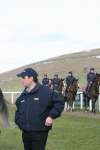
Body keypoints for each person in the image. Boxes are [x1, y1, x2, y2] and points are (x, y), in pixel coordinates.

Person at [15, 68, 65, 150]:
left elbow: (60, 102)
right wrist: (20, 123)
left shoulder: (45, 91)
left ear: (31, 78)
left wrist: (51, 116)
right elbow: (18, 110)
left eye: (24, 77)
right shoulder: (22, 96)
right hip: (25, 133)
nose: (22, 80)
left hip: (40, 132)